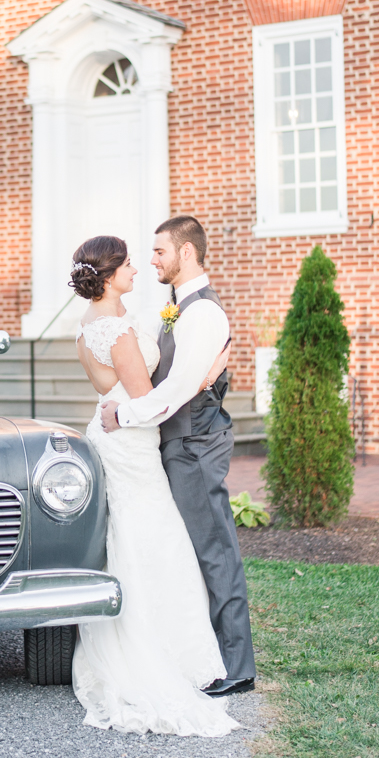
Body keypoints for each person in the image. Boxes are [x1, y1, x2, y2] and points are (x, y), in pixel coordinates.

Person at [69, 235, 240, 737]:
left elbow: (108, 387)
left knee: (130, 536)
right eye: (127, 265)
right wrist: (201, 375)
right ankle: (168, 651)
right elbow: (143, 393)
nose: (138, 271)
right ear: (109, 273)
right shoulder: (119, 330)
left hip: (111, 430)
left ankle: (150, 637)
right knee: (159, 538)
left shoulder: (87, 327)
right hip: (131, 436)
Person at [100, 216, 255, 697]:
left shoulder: (203, 314)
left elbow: (179, 388)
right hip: (178, 443)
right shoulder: (176, 308)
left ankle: (238, 666)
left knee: (215, 549)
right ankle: (208, 652)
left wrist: (124, 416)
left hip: (195, 445)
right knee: (195, 549)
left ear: (186, 253)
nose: (152, 260)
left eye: (160, 252)